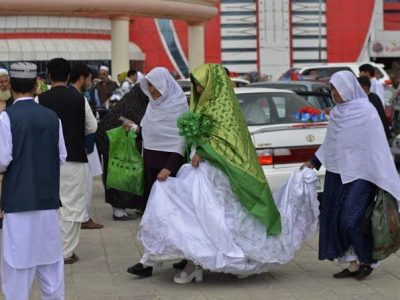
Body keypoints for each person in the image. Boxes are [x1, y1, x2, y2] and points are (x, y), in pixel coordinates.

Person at [127, 64, 320, 283]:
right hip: (196, 170)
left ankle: (189, 263)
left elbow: (225, 141)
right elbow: (192, 137)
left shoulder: (222, 109)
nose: (198, 90)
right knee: (189, 216)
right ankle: (175, 260)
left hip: (214, 173)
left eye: (201, 85)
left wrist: (202, 151)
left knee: (206, 218)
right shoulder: (198, 106)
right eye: (196, 86)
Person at [303, 71, 400, 280]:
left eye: (336, 89)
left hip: (362, 174)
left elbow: (378, 147)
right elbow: (330, 143)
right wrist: (313, 162)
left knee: (351, 219)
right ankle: (352, 263)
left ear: (347, 88)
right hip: (337, 174)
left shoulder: (367, 112)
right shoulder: (337, 113)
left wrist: (381, 174)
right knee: (336, 219)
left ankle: (367, 260)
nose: (333, 93)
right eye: (331, 89)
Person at [0, 62, 66, 299]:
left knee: (17, 268)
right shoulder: (52, 118)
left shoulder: (6, 118)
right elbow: (61, 157)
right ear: (36, 85)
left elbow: (2, 161)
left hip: (18, 202)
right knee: (51, 266)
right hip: (48, 201)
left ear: (12, 87)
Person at [39, 58, 98, 264]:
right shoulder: (79, 99)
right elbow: (92, 127)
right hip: (74, 158)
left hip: (48, 161)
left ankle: (50, 248)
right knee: (73, 205)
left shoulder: (40, 99)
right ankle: (66, 252)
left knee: (51, 205)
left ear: (48, 75)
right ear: (68, 75)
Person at [96, 84, 149, 220]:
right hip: (115, 142)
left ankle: (121, 209)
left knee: (118, 174)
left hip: (114, 141)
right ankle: (119, 212)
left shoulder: (130, 100)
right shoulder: (135, 104)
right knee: (119, 175)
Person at [70, 63, 104, 230]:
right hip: (82, 147)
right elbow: (92, 127)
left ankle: (81, 216)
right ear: (81, 79)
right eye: (89, 79)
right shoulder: (78, 97)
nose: (90, 83)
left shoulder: (70, 95)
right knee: (85, 185)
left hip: (74, 148)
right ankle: (83, 218)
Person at [357, 76, 391, 141]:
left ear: (364, 87)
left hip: (379, 134)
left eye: (357, 87)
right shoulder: (372, 97)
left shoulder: (371, 99)